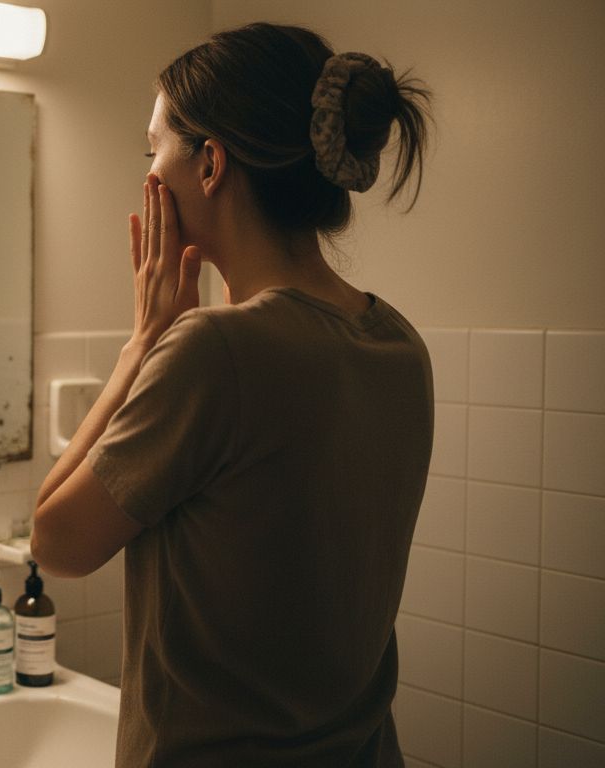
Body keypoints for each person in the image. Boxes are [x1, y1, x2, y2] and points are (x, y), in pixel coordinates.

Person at [31, 23, 434, 767]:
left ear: (210, 162)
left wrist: (144, 340)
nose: (148, 172)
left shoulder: (214, 350)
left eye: (153, 148)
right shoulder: (401, 345)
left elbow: (54, 543)